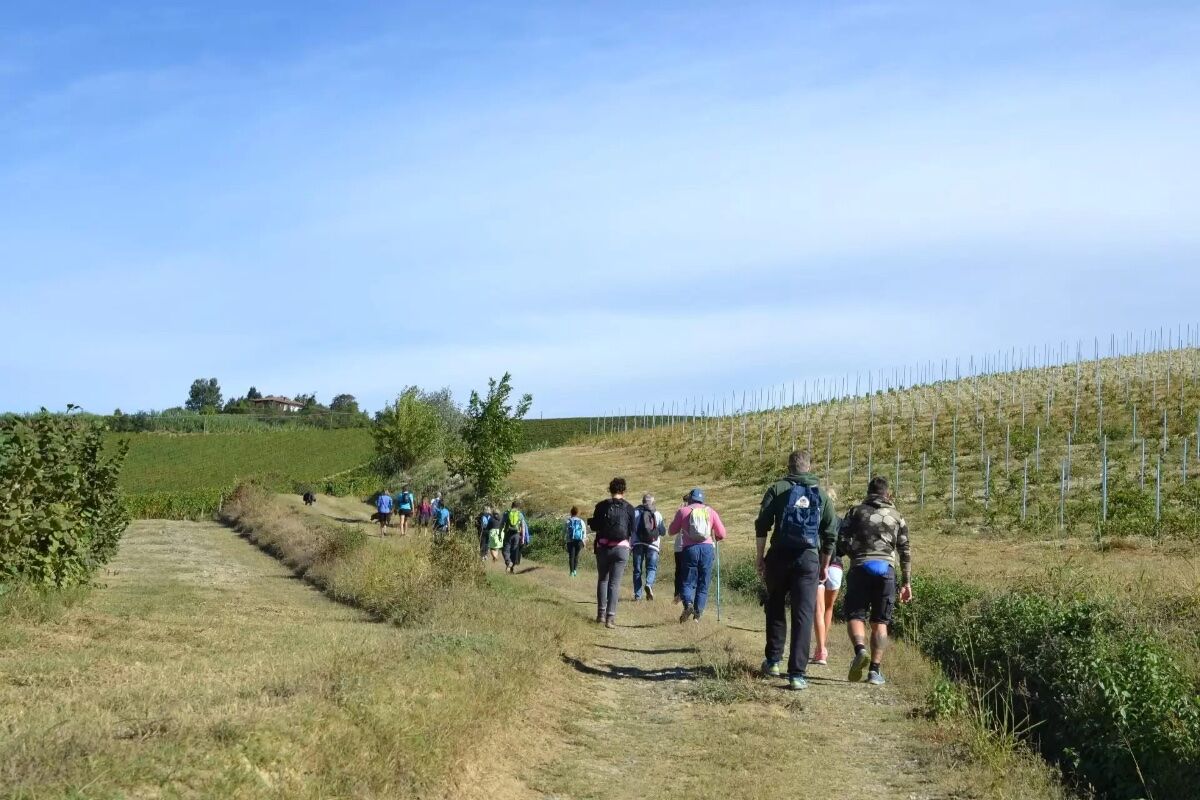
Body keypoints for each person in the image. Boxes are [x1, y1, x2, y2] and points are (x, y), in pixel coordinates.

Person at [754, 450, 839, 691]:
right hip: (808, 559)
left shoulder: (777, 489)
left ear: (789, 467)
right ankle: (797, 674)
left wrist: (760, 557)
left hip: (779, 556)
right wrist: (824, 565)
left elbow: (762, 525)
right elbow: (830, 533)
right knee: (803, 614)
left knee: (775, 606)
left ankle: (773, 661)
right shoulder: (821, 494)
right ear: (809, 467)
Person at [839, 476, 912, 687]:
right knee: (880, 622)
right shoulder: (897, 516)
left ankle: (860, 650)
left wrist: (855, 554)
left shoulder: (855, 512)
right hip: (886, 570)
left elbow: (841, 540)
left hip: (860, 567)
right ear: (887, 494)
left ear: (868, 492)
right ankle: (874, 671)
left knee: (855, 614)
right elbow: (905, 551)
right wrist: (906, 582)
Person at [668, 488, 727, 623]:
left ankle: (688, 604)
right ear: (702, 500)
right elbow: (722, 534)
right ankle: (697, 616)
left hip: (689, 549)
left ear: (690, 499)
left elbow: (671, 531)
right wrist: (716, 536)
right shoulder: (710, 511)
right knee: (703, 583)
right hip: (707, 549)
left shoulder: (683, 511)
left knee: (687, 581)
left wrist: (678, 517)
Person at [588, 477, 636, 628]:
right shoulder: (629, 508)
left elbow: (594, 526)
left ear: (610, 489)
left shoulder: (601, 506)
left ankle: (600, 615)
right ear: (624, 490)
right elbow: (633, 529)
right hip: (621, 549)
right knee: (615, 583)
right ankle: (610, 618)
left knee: (603, 580)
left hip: (603, 547)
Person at [811, 487, 844, 666]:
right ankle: (821, 646)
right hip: (836, 566)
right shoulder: (839, 521)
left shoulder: (814, 520)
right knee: (829, 608)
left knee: (819, 609)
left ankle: (821, 650)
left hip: (818, 565)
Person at [631, 494, 665, 601]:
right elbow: (663, 532)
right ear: (652, 502)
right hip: (653, 546)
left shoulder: (635, 512)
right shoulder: (657, 514)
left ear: (642, 501)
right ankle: (649, 584)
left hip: (637, 544)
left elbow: (630, 528)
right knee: (651, 568)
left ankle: (638, 595)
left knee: (637, 570)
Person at [502, 501, 528, 574]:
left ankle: (508, 563)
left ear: (512, 506)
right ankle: (511, 568)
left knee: (505, 550)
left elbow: (502, 523)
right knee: (514, 551)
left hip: (508, 534)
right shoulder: (520, 514)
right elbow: (523, 527)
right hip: (516, 534)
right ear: (518, 507)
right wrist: (523, 538)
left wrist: (500, 533)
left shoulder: (507, 513)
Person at [672, 494, 688, 603]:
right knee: (687, 572)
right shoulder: (696, 510)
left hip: (679, 546)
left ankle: (678, 595)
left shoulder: (681, 510)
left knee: (678, 572)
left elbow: (674, 528)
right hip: (689, 545)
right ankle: (684, 595)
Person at [563, 505, 587, 576]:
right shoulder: (581, 521)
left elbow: (564, 531)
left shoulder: (568, 521)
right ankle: (575, 570)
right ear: (577, 513)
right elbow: (584, 532)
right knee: (576, 556)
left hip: (570, 541)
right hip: (579, 541)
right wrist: (584, 542)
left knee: (571, 556)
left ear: (571, 512)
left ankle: (571, 572)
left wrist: (563, 539)